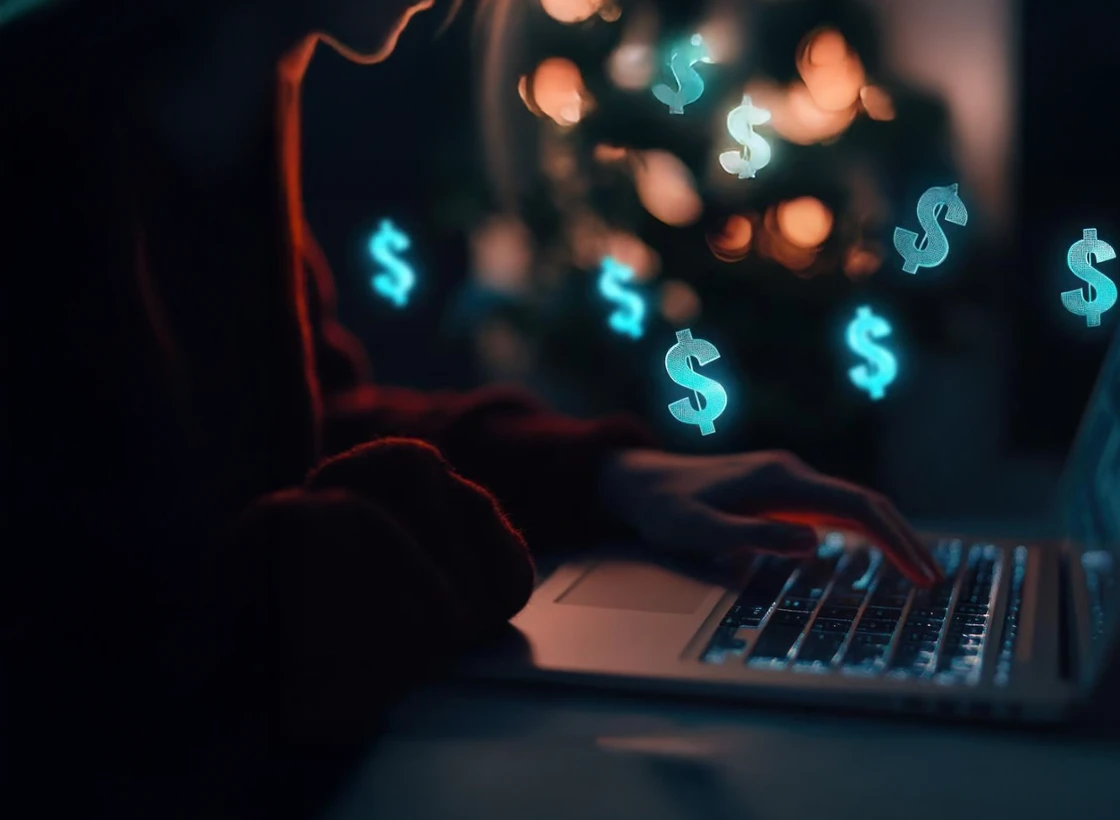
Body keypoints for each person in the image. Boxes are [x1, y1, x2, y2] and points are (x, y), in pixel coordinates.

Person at [0, 0, 939, 813]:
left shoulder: (230, 106)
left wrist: (617, 474)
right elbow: (105, 661)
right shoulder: (42, 149)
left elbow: (305, 429)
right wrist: (419, 537)